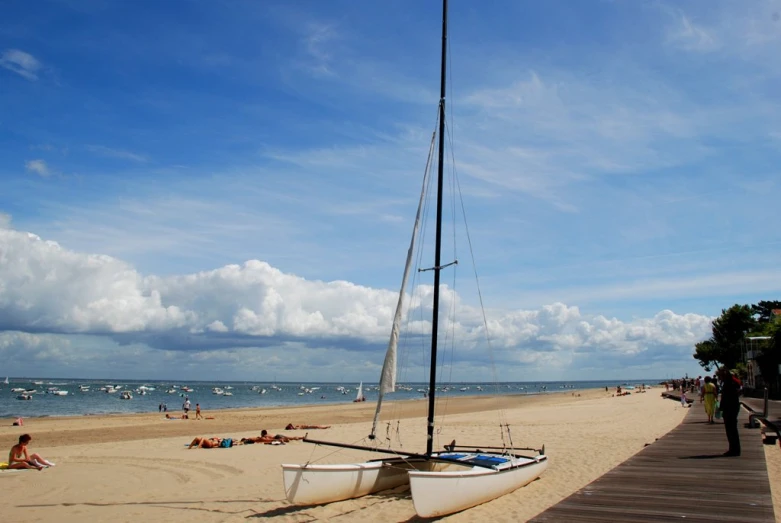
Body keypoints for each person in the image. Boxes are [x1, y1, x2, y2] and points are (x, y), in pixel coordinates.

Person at [718, 367, 741, 456]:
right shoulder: (732, 382)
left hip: (729, 408)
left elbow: (725, 398)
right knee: (733, 429)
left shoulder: (728, 384)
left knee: (731, 430)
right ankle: (734, 449)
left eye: (719, 375)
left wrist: (721, 408)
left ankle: (734, 450)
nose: (719, 377)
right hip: (734, 407)